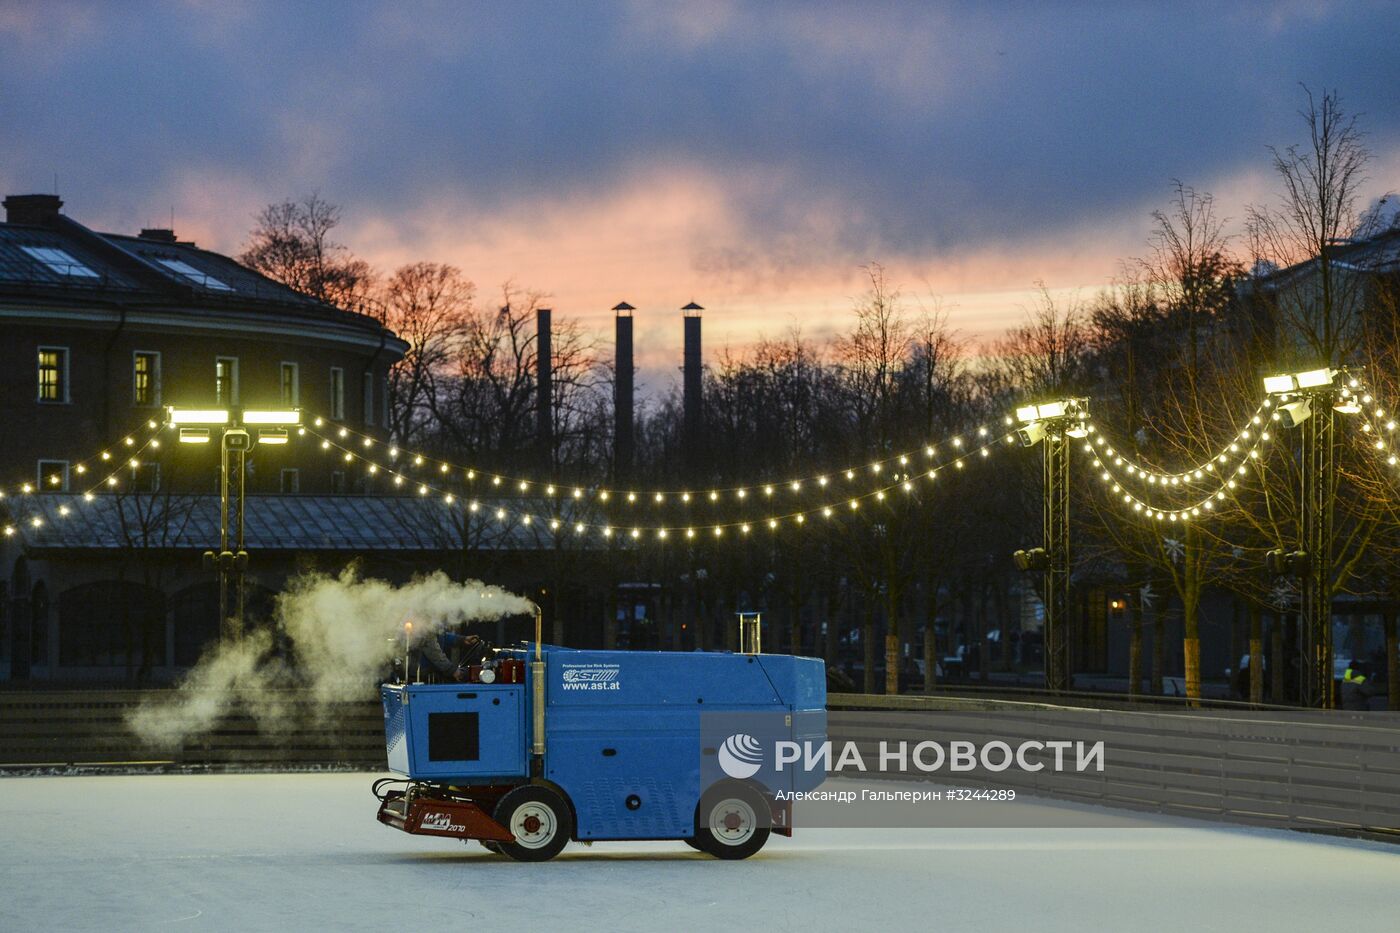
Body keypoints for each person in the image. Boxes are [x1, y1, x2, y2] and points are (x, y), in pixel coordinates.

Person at [406, 625, 490, 683]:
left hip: (430, 674)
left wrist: (461, 639)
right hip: (420, 677)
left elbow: (441, 636)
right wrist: (452, 671)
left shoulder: (432, 619)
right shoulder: (422, 621)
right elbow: (433, 651)